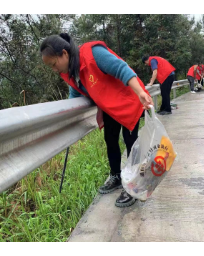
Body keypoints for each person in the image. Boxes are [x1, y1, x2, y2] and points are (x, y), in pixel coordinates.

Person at [40, 33, 154, 208]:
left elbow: (121, 69)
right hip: (109, 106)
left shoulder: (93, 54)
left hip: (129, 99)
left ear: (64, 53)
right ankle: (116, 175)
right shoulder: (70, 71)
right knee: (110, 139)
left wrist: (140, 93)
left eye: (54, 64)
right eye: (51, 67)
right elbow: (75, 93)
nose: (54, 70)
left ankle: (134, 185)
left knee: (131, 142)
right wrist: (68, 116)